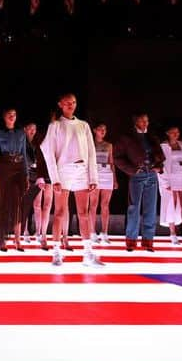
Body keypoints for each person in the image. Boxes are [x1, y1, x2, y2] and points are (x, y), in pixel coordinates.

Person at [41, 94, 102, 267]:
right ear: (60, 104)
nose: (71, 105)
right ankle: (56, 252)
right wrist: (55, 178)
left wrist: (93, 177)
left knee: (84, 213)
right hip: (64, 171)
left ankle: (88, 253)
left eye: (73, 102)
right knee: (60, 212)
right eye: (67, 103)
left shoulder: (84, 125)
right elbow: (48, 151)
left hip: (82, 170)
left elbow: (91, 152)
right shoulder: (55, 125)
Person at [114, 113, 165, 253]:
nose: (145, 123)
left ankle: (148, 240)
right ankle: (131, 240)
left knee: (151, 207)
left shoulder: (152, 137)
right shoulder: (127, 138)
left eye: (147, 120)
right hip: (137, 175)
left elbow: (161, 156)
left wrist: (159, 167)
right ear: (135, 121)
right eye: (142, 120)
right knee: (133, 207)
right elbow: (117, 157)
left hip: (151, 175)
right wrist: (131, 170)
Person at [0, 108, 30, 252]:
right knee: (3, 205)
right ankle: (2, 240)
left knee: (18, 205)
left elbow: (25, 155)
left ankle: (18, 240)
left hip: (19, 168)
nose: (12, 117)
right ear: (4, 117)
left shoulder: (21, 133)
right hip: (4, 168)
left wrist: (26, 175)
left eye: (14, 114)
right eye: (9, 115)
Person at [158, 126, 182, 247]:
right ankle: (173, 234)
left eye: (177, 132)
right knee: (172, 205)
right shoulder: (163, 146)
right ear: (167, 132)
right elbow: (160, 166)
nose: (176, 134)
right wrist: (164, 182)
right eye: (173, 132)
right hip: (170, 178)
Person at [90, 123, 117, 245]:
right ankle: (92, 232)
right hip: (95, 174)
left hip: (107, 174)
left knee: (105, 204)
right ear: (95, 130)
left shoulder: (109, 145)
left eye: (104, 129)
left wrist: (115, 179)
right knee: (93, 204)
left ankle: (104, 232)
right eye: (100, 129)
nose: (102, 131)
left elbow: (111, 162)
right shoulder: (90, 144)